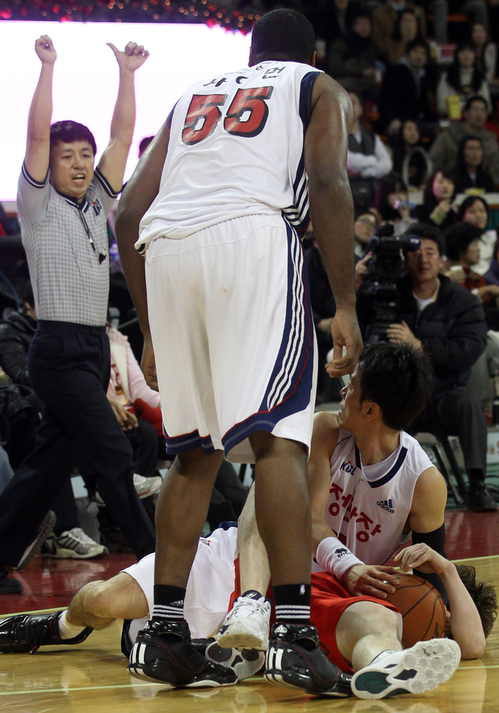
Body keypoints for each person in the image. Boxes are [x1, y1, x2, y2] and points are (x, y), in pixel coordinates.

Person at [115, 7, 363, 696]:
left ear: (249, 55)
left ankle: (164, 632)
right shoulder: (316, 85)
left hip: (164, 249)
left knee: (194, 449)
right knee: (279, 436)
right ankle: (291, 633)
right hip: (250, 236)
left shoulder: (194, 93)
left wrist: (151, 328)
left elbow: (128, 209)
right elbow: (326, 180)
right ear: (307, 53)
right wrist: (342, 302)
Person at [0, 35, 156, 594]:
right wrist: (47, 68)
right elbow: (37, 133)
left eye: (83, 156)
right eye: (68, 156)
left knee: (47, 466)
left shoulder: (98, 199)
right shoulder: (37, 201)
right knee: (112, 453)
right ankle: (159, 565)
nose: (79, 163)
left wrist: (128, 75)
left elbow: (119, 136)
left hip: (91, 347)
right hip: (57, 349)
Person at [357, 223, 496, 512]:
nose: (423, 259)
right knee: (372, 411)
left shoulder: (463, 302)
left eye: (430, 252)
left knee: (469, 405)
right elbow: (357, 327)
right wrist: (355, 287)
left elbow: (467, 349)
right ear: (404, 258)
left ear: (442, 258)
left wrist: (420, 346)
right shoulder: (388, 292)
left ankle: (477, 485)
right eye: (416, 252)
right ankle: (372, 491)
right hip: (396, 397)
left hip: (443, 392)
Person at [429, 96, 499, 185]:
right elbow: (433, 163)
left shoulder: (490, 143)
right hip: (447, 185)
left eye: (483, 110)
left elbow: (495, 173)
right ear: (465, 113)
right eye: (475, 109)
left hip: (481, 189)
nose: (479, 114)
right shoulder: (447, 137)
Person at [377, 39, 437, 136]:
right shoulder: (395, 71)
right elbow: (388, 99)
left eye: (423, 53)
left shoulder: (424, 75)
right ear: (407, 53)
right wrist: (394, 119)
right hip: (397, 120)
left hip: (415, 121)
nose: (419, 56)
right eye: (416, 52)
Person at [347, 90, 393, 212]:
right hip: (350, 198)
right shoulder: (336, 137)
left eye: (353, 102)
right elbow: (349, 162)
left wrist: (364, 173)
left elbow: (387, 164)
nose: (349, 106)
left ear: (361, 109)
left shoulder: (372, 137)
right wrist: (373, 160)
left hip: (375, 196)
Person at [437, 41, 492, 119]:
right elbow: (441, 107)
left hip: (475, 122)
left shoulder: (480, 78)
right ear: (457, 55)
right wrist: (470, 109)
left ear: (475, 55)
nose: (466, 55)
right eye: (462, 52)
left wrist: (461, 107)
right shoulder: (447, 76)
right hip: (453, 120)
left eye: (470, 52)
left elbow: (488, 108)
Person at [390, 119, 433, 190]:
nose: (413, 133)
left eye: (416, 130)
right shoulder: (394, 153)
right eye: (409, 129)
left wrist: (423, 185)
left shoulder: (422, 154)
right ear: (401, 131)